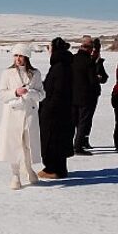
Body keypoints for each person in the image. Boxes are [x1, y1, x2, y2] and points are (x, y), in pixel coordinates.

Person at [0, 43, 45, 190]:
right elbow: (2, 95)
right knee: (14, 145)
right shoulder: (7, 73)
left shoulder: (35, 74)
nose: (18, 59)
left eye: (21, 56)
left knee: (28, 144)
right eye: (16, 55)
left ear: (27, 57)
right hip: (13, 113)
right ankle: (15, 175)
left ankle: (28, 169)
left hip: (29, 114)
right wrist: (15, 93)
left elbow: (42, 94)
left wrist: (29, 92)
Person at [38, 37, 74, 179]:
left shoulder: (59, 66)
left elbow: (57, 90)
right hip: (63, 109)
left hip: (55, 111)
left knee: (51, 139)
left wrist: (48, 107)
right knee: (59, 139)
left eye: (49, 48)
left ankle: (53, 169)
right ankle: (59, 168)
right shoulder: (65, 64)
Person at [71, 35, 107, 154]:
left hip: (73, 95)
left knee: (75, 121)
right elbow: (93, 80)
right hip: (87, 96)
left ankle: (76, 144)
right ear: (90, 48)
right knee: (83, 122)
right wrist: (97, 79)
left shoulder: (72, 59)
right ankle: (78, 146)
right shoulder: (89, 62)